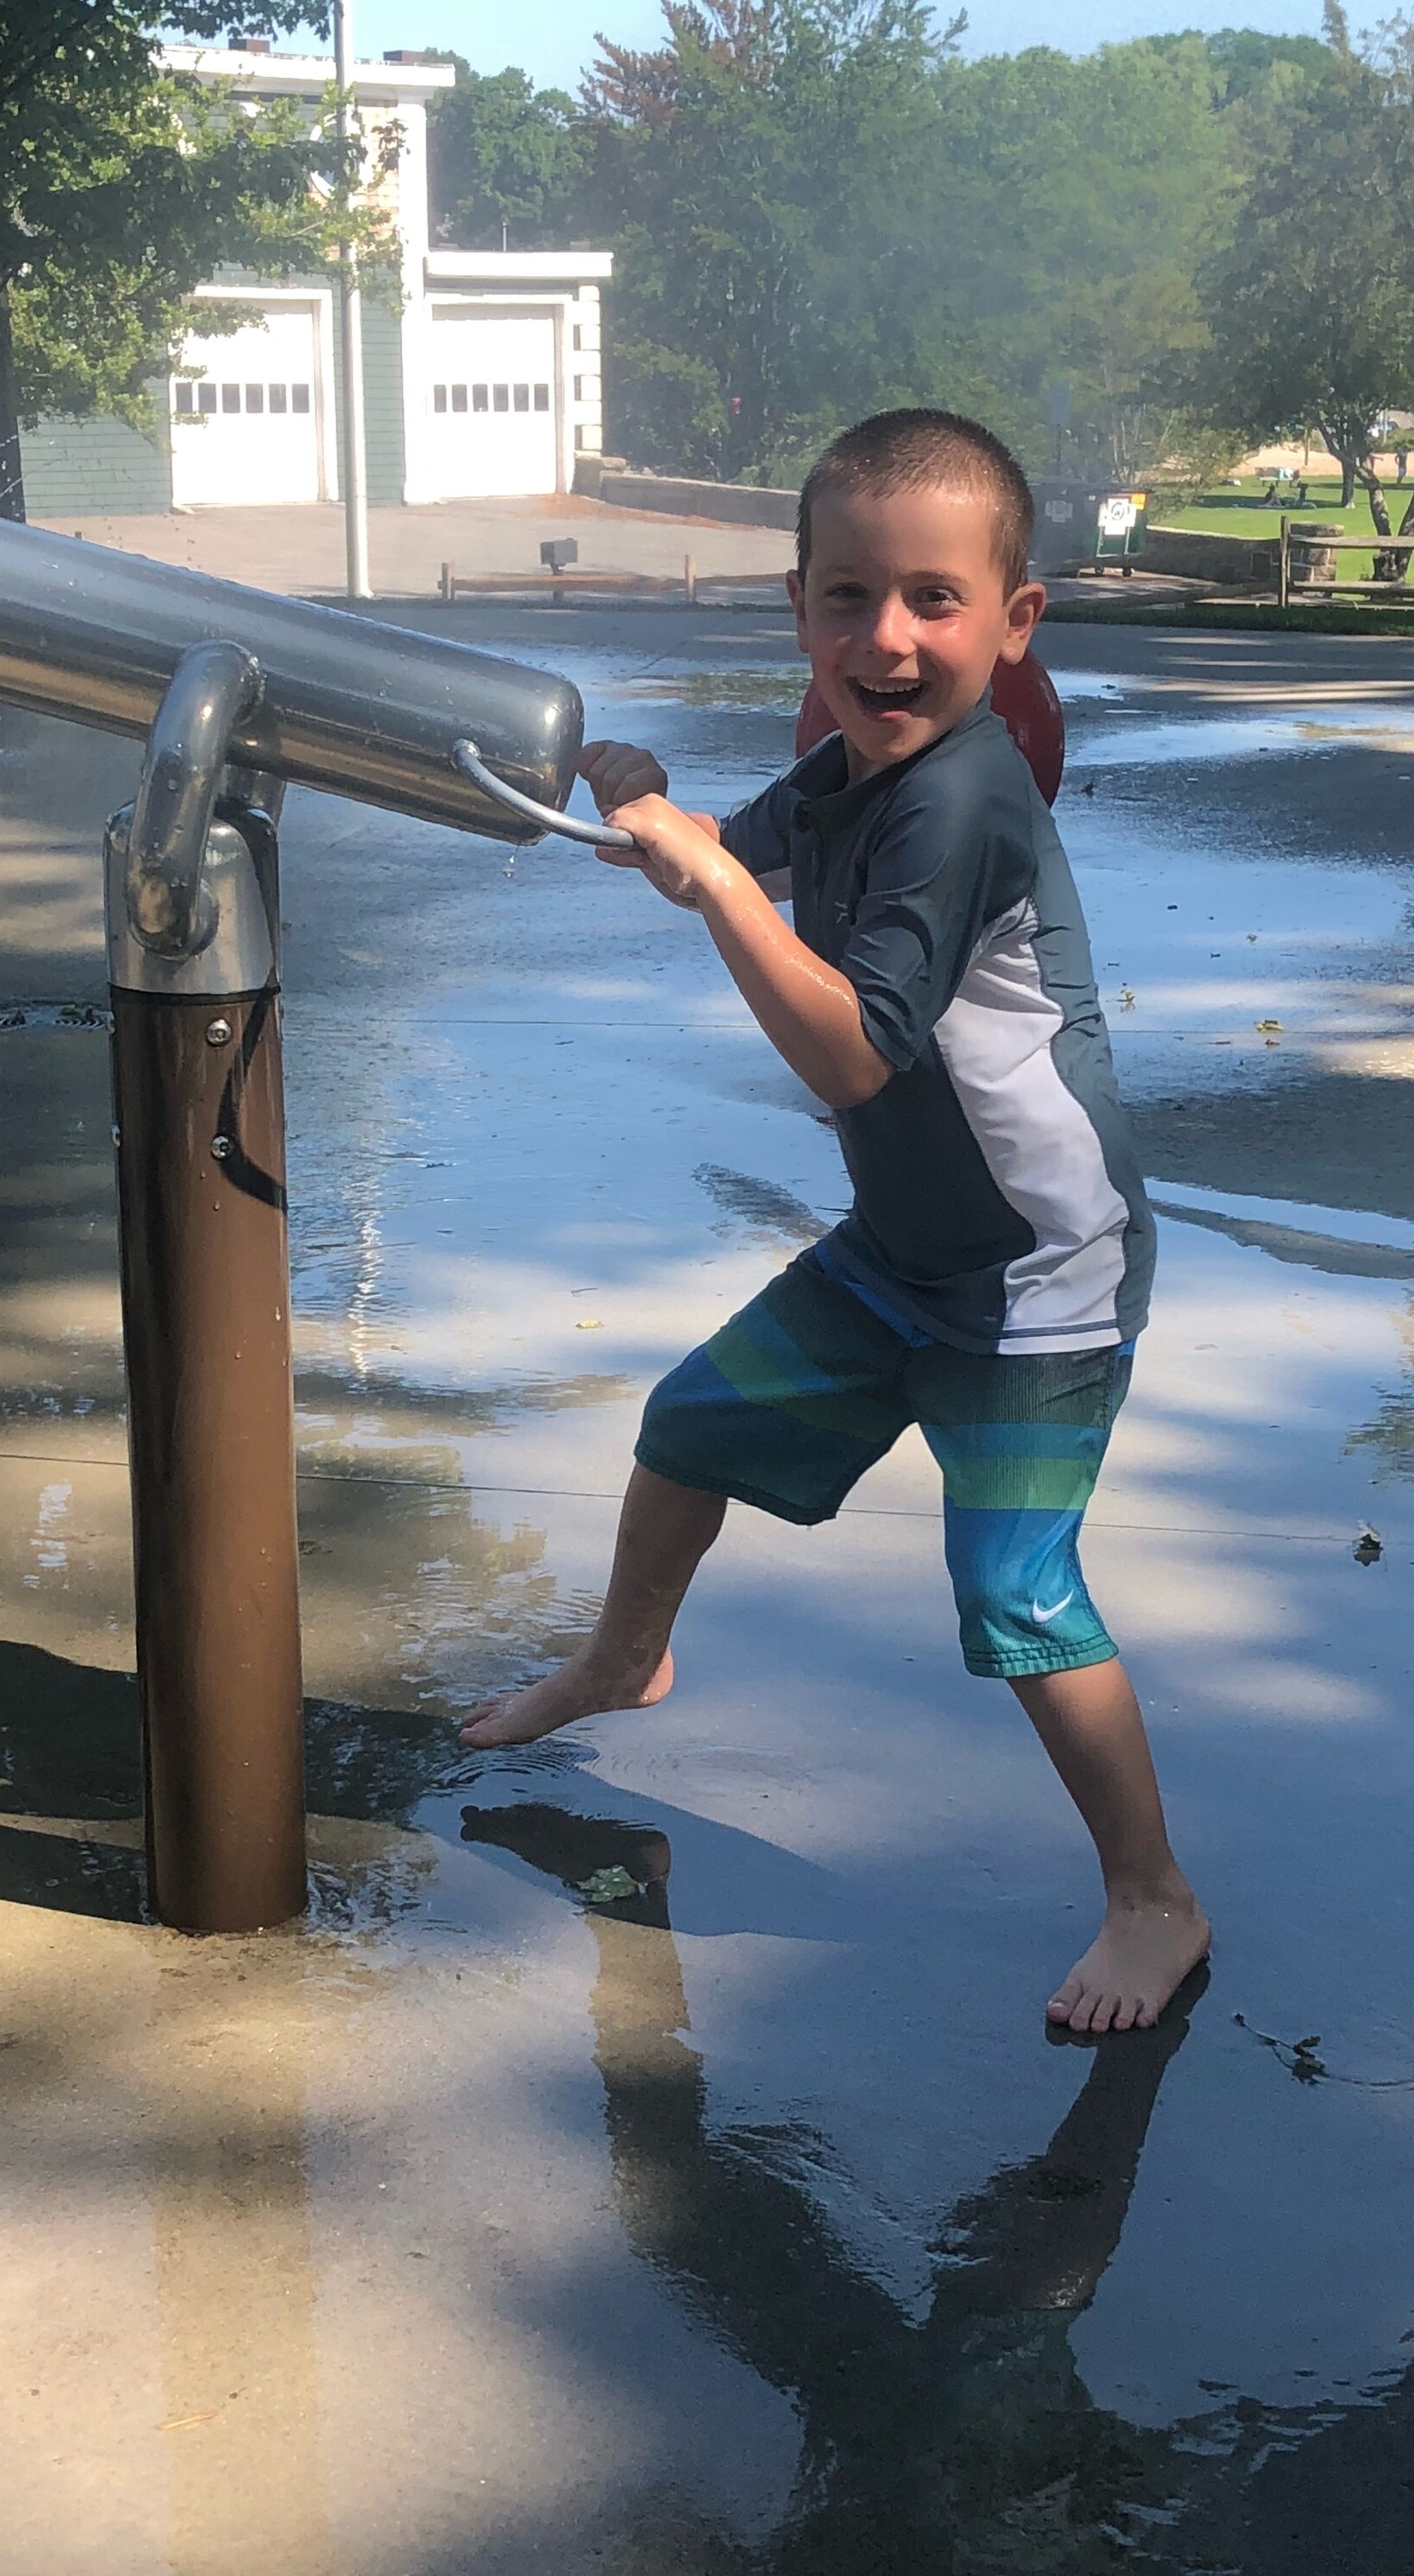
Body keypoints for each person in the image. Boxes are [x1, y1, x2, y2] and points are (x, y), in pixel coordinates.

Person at [462, 408, 1209, 2034]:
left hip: (1036, 1282)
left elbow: (854, 1051)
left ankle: (1154, 1895)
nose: (889, 638)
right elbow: (726, 861)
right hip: (904, 1254)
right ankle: (624, 1659)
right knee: (690, 1425)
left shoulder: (962, 799)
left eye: (937, 598)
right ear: (798, 606)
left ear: (1015, 620)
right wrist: (649, 808)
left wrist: (719, 885)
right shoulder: (853, 769)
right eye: (850, 596)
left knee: (1018, 1595)